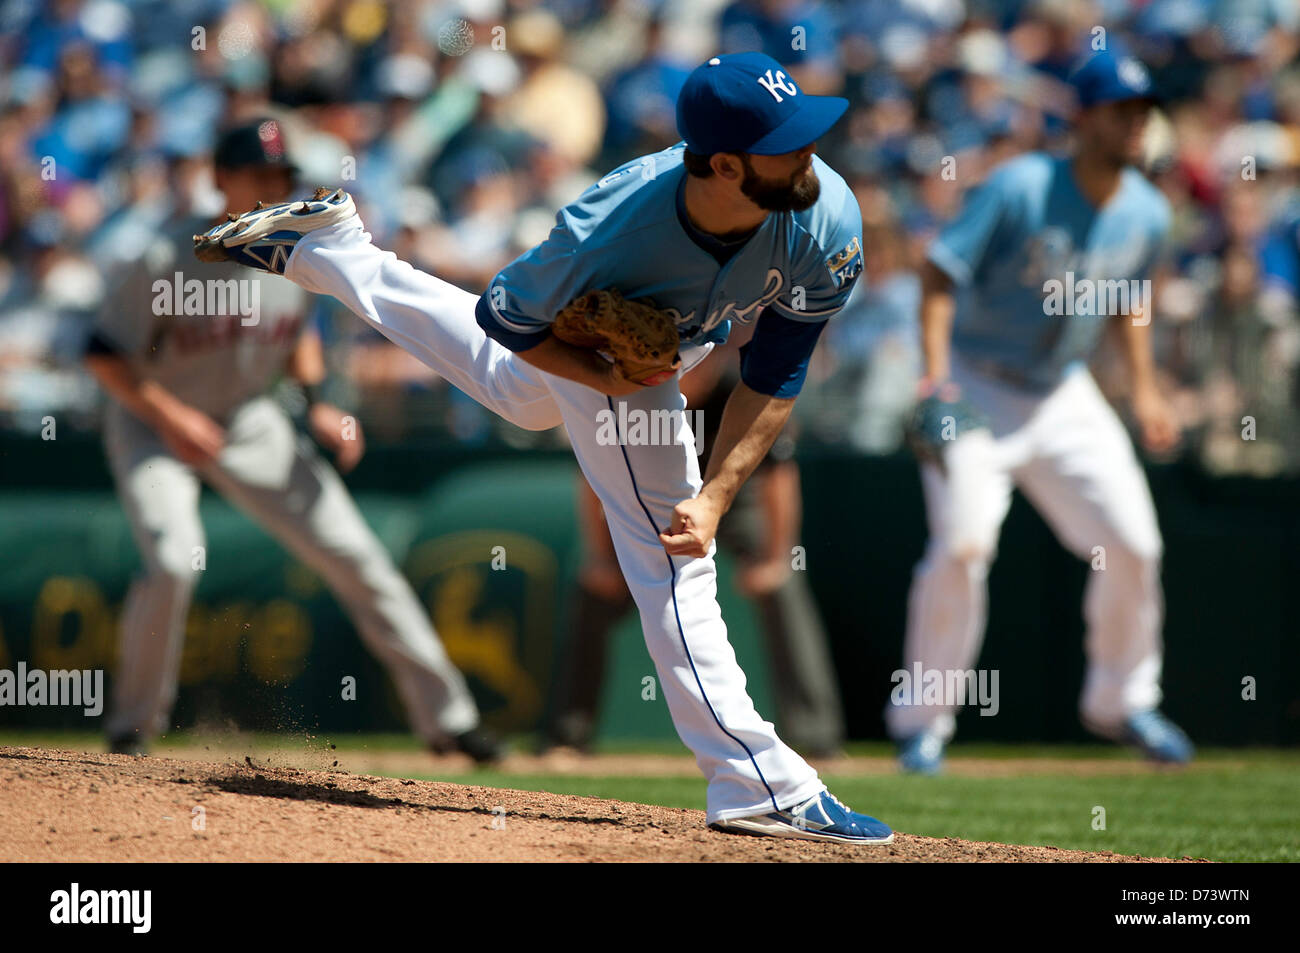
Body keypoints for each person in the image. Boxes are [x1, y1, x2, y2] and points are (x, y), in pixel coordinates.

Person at [195, 54, 894, 845]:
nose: (810, 155)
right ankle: (758, 779)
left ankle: (330, 250)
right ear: (725, 163)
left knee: (516, 397)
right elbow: (505, 319)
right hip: (612, 364)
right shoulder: (610, 226)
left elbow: (777, 372)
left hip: (673, 347)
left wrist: (719, 495)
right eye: (786, 144)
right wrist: (604, 375)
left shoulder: (825, 211)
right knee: (669, 558)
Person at [84, 118, 502, 764]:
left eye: (281, 176)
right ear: (219, 178)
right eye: (258, 174)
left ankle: (451, 720)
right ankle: (133, 727)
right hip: (153, 421)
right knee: (173, 559)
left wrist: (319, 403)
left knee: (358, 555)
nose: (272, 185)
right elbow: (105, 356)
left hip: (251, 419)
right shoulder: (163, 256)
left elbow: (298, 336)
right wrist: (173, 419)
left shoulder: (293, 250)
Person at [887, 52, 1195, 773]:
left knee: (1135, 543)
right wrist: (934, 377)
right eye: (1121, 111)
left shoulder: (1147, 210)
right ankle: (922, 721)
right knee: (963, 544)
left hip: (1062, 389)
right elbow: (938, 271)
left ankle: (1123, 701)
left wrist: (1145, 390)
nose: (1135, 125)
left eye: (1142, 113)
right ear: (1081, 118)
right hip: (976, 380)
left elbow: (1131, 299)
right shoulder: (1022, 186)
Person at [543, 349, 846, 758]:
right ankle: (567, 736)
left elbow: (779, 476)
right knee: (593, 588)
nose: (698, 368)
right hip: (652, 504)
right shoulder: (628, 392)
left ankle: (816, 738)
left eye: (707, 357)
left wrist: (777, 559)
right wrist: (601, 558)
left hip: (733, 502)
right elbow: (593, 481)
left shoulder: (738, 392)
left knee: (784, 586)